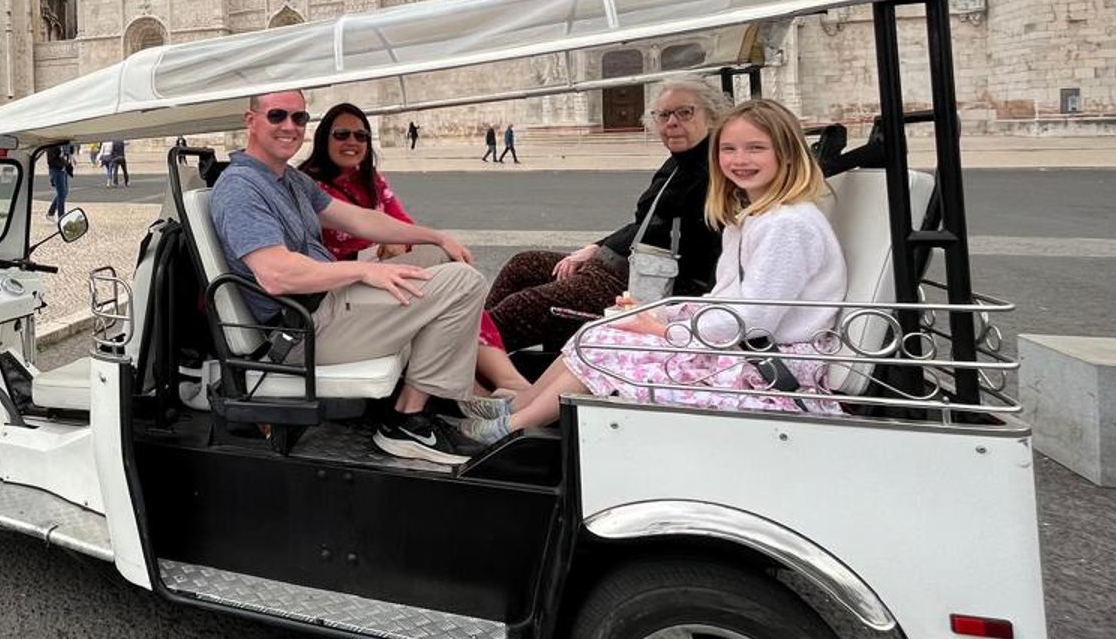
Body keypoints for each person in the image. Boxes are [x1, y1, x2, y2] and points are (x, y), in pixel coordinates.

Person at [463, 100, 847, 442]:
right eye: (729, 149)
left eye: (756, 149)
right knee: (603, 329)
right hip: (745, 345)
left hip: (769, 364)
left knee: (608, 346)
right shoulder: (752, 218)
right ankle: (520, 406)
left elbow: (752, 320)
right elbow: (726, 299)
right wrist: (658, 315)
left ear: (789, 156)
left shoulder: (786, 226)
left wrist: (663, 330)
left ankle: (513, 427)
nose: (739, 159)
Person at [210, 90, 497, 467]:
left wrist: (435, 236)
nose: (289, 127)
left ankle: (447, 389)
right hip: (302, 331)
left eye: (299, 118)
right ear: (251, 121)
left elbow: (360, 219)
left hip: (326, 305)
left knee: (439, 257)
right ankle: (408, 421)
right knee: (463, 283)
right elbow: (277, 274)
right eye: (277, 115)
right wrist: (365, 269)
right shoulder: (241, 188)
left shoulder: (289, 180)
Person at [485, 78, 729, 357]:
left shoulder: (718, 171)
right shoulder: (677, 163)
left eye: (684, 112)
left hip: (645, 288)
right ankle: (468, 340)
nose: (671, 122)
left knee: (523, 306)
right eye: (663, 115)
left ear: (712, 115)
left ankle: (464, 355)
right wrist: (597, 247)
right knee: (524, 265)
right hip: (623, 267)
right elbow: (647, 224)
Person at [298, 104, 527, 396]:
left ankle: (501, 378)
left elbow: (401, 224)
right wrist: (383, 242)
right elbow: (357, 228)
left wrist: (426, 239)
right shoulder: (310, 186)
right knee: (457, 284)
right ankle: (475, 387)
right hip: (342, 284)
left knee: (447, 260)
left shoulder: (370, 180)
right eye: (341, 134)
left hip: (374, 272)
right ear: (323, 139)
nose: (352, 142)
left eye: (361, 135)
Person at [43, 141, 73, 219]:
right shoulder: (53, 145)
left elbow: (68, 153)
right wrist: (63, 165)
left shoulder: (63, 144)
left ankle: (51, 213)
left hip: (63, 170)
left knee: (64, 192)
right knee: (61, 193)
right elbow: (51, 160)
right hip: (56, 170)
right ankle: (61, 217)